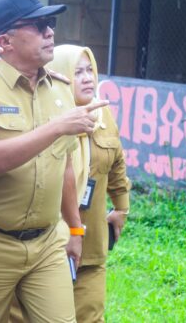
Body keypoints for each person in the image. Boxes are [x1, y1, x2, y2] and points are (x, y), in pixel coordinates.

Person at [0, 0, 109, 323]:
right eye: (38, 25)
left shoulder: (60, 88)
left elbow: (64, 165)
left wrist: (75, 229)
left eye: (51, 24)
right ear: (5, 41)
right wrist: (57, 126)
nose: (50, 32)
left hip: (46, 243)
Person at [47, 45, 131, 323]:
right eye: (77, 72)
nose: (87, 78)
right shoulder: (46, 118)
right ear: (59, 76)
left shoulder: (102, 115)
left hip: (92, 242)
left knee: (91, 317)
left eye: (90, 70)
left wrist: (121, 208)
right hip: (51, 244)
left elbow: (116, 163)